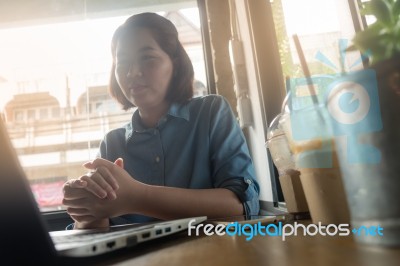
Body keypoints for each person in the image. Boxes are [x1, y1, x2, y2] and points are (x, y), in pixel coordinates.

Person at [62, 12, 260, 229]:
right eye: (123, 61)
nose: (133, 72)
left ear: (175, 64)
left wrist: (137, 197)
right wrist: (85, 209)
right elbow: (97, 231)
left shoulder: (211, 112)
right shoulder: (112, 143)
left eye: (147, 58)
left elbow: (241, 206)